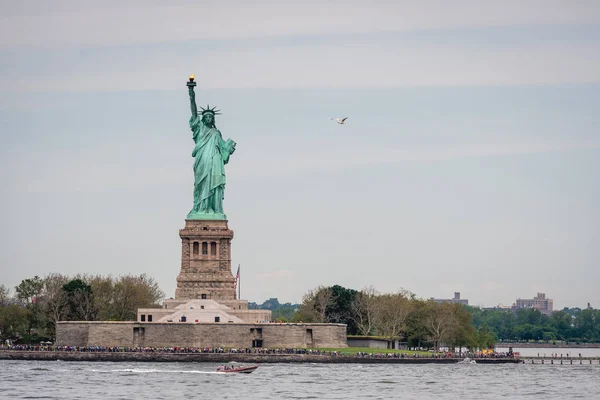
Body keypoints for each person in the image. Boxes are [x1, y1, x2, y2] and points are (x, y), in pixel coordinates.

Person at [187, 80, 236, 218]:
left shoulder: (216, 133)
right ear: (203, 119)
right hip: (202, 160)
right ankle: (200, 208)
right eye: (206, 116)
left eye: (210, 116)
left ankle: (213, 209)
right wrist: (192, 94)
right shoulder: (200, 128)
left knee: (213, 185)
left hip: (215, 162)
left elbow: (224, 151)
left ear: (213, 119)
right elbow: (194, 112)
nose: (208, 118)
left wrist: (229, 149)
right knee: (201, 184)